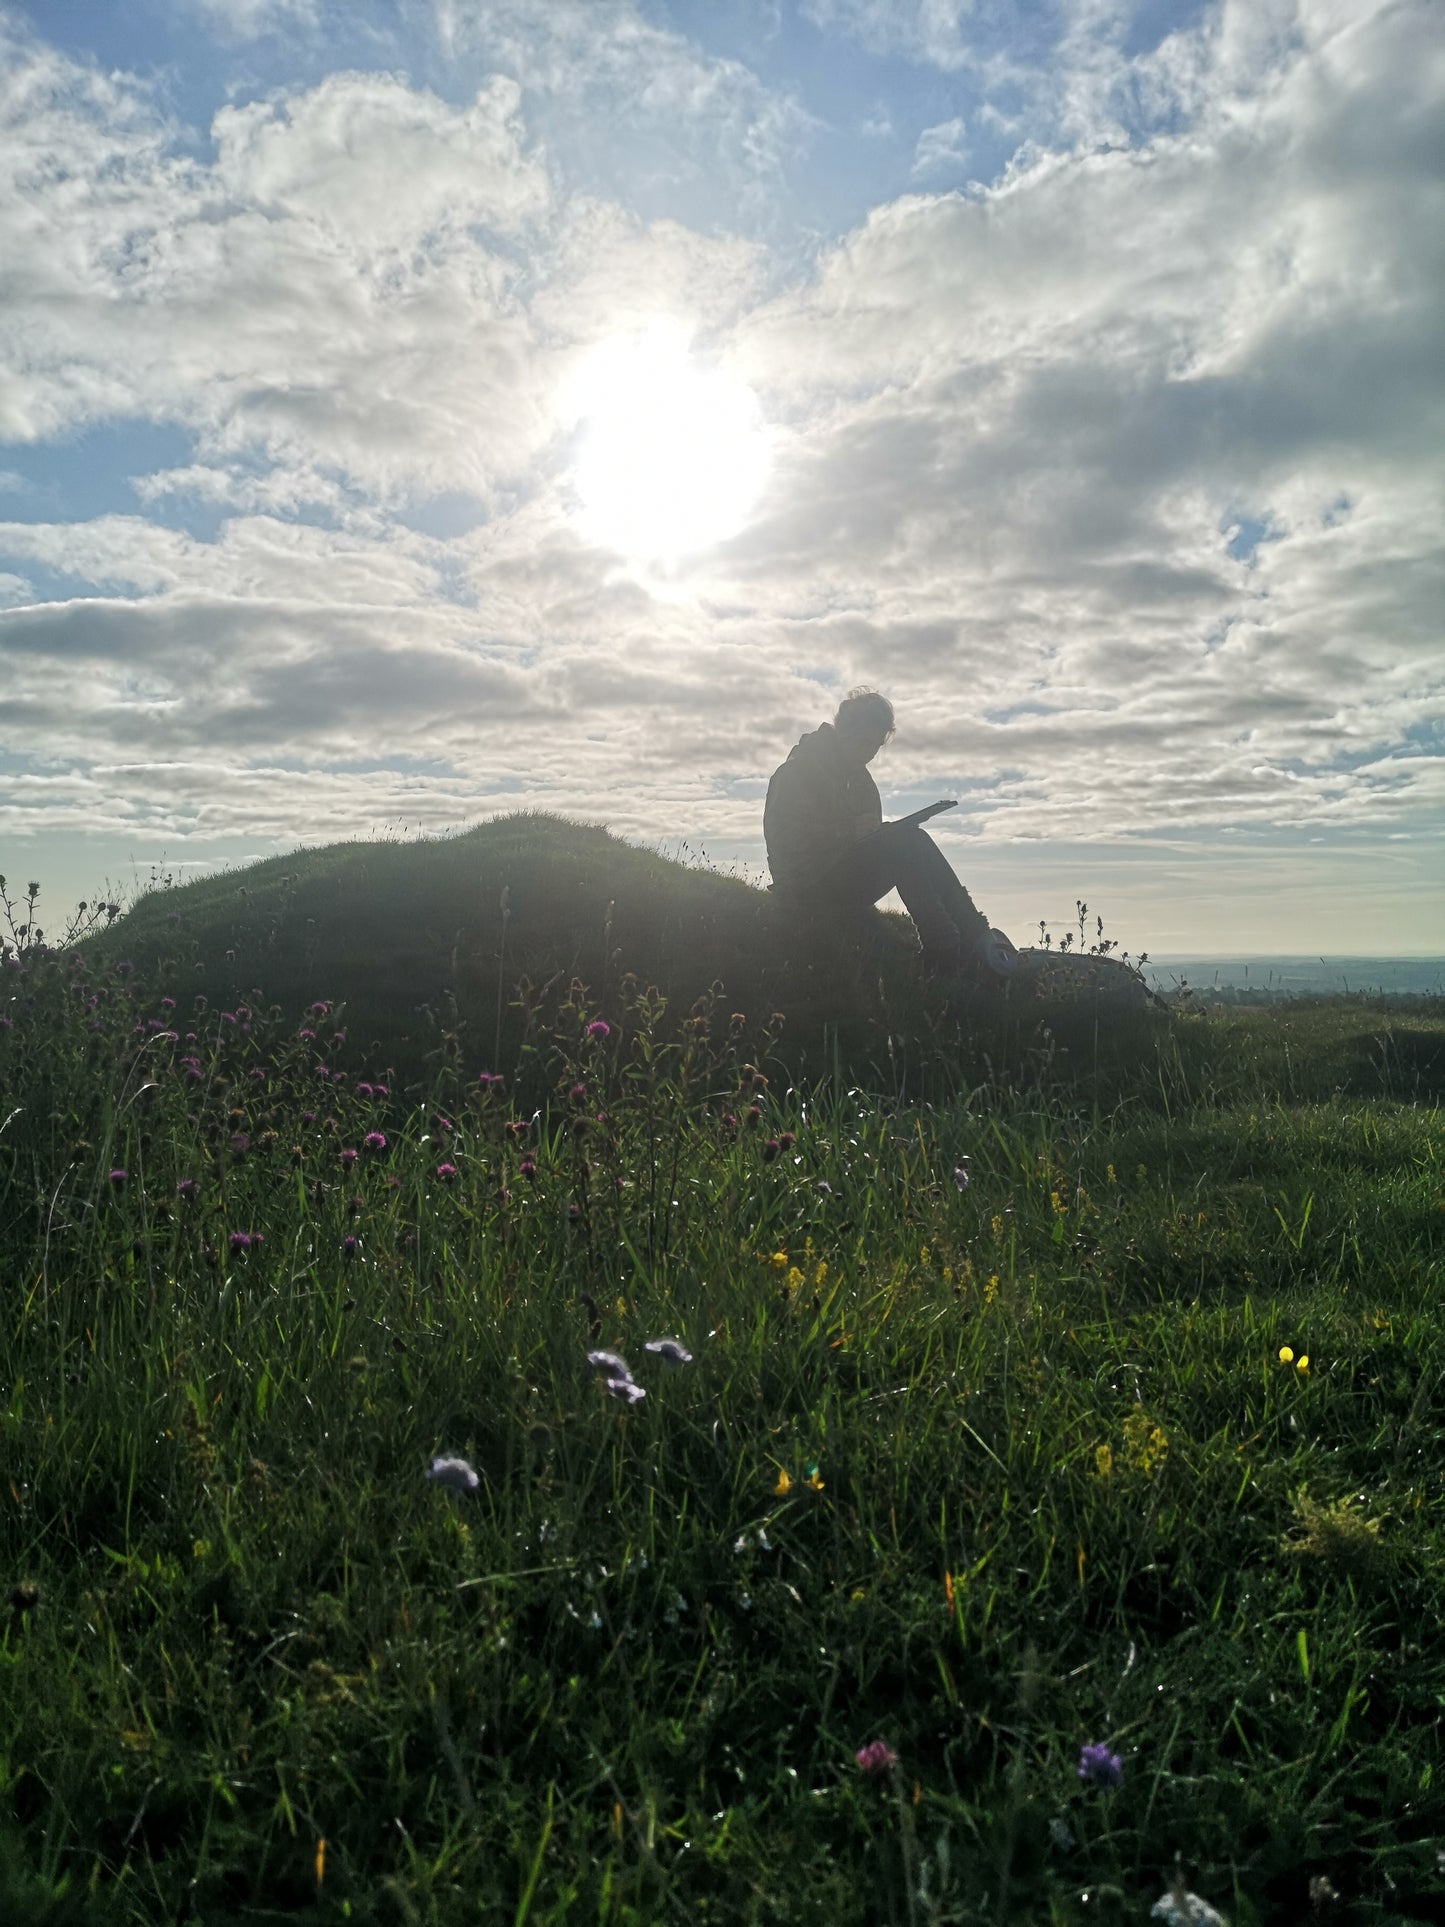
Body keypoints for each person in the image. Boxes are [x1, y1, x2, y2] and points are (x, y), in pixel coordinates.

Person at [763, 688, 1018, 979]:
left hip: (839, 877)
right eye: (863, 743)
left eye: (875, 746)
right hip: (803, 886)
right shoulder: (798, 771)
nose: (868, 754)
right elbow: (784, 838)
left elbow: (867, 843)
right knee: (903, 841)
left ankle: (975, 935)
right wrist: (848, 831)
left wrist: (874, 833)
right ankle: (946, 947)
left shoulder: (860, 778)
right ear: (843, 731)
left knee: (912, 838)